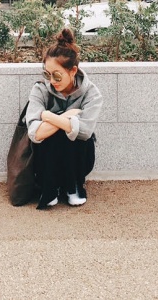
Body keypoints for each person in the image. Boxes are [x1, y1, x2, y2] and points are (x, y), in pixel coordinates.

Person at [26, 28, 103, 209]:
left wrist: (47, 116)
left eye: (57, 74)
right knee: (58, 132)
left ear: (73, 71)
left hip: (80, 158)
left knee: (72, 134)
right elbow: (35, 133)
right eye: (47, 74)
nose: (51, 80)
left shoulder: (92, 94)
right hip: (45, 160)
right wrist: (66, 116)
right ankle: (49, 187)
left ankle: (74, 186)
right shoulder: (40, 90)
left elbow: (84, 132)